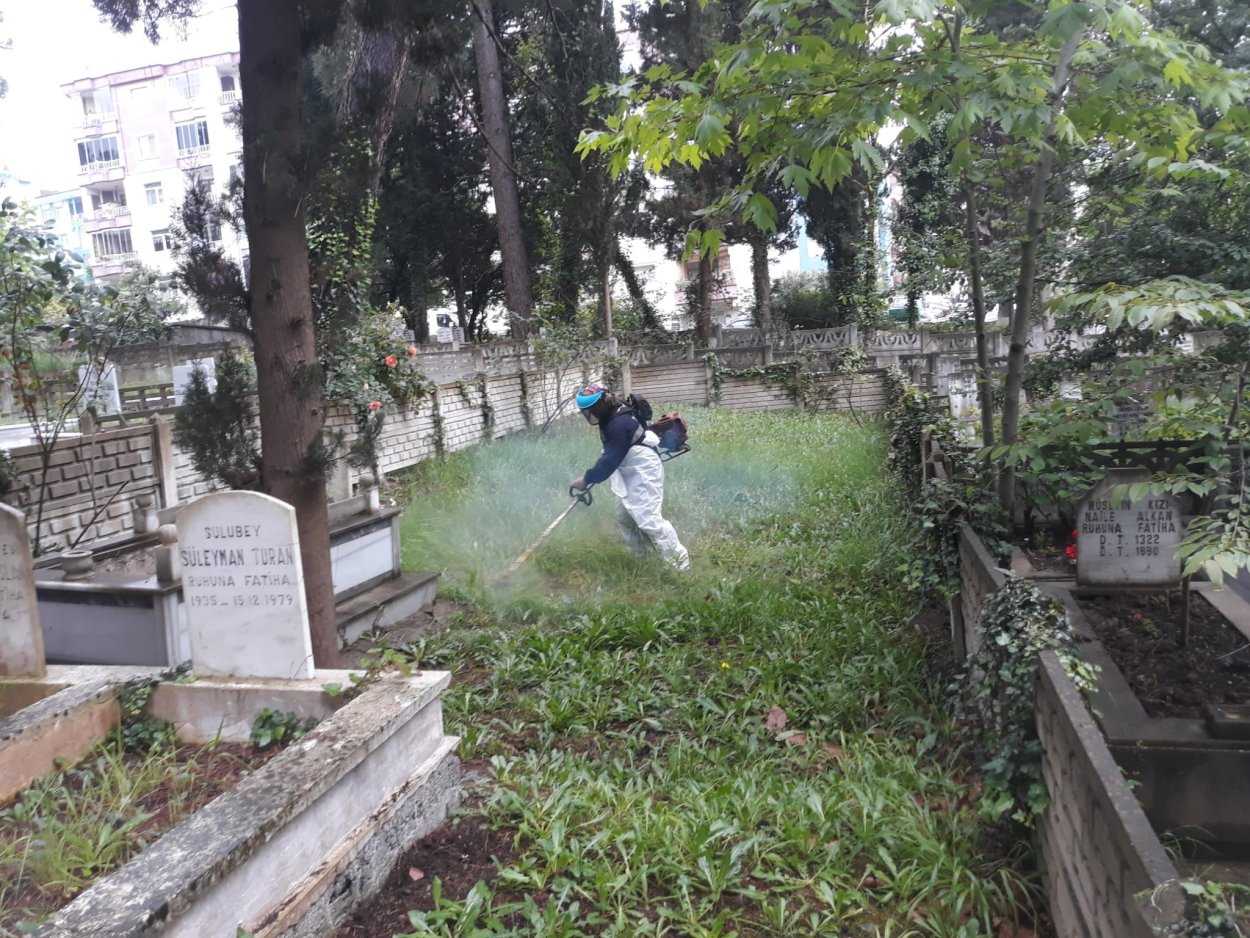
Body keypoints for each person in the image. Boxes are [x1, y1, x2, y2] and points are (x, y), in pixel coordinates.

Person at [570, 384, 690, 571]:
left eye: (592, 410)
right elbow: (614, 452)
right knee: (626, 517)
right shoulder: (615, 411)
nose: (590, 415)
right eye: (587, 412)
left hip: (643, 470)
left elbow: (609, 461)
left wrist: (586, 479)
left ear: (602, 403)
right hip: (630, 468)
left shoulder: (618, 424)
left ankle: (680, 565)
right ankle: (643, 559)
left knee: (648, 519)